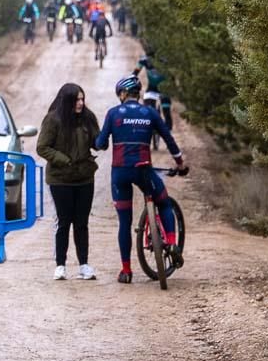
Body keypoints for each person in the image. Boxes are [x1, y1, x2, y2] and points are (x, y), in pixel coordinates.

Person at [93, 75, 188, 284]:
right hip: (143, 170)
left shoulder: (113, 113)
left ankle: (126, 271)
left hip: (120, 173)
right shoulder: (150, 113)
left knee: (124, 223)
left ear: (123, 94)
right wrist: (180, 164)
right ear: (138, 93)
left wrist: (95, 141)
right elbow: (169, 139)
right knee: (162, 200)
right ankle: (171, 242)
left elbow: (100, 143)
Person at [36, 83, 100, 280]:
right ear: (67, 101)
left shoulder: (88, 118)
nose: (80, 103)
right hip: (60, 179)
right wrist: (64, 160)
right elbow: (42, 147)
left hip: (84, 177)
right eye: (76, 100)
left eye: (82, 99)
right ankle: (60, 265)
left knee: (82, 222)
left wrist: (104, 137)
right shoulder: (53, 120)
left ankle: (84, 264)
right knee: (64, 221)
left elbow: (97, 142)